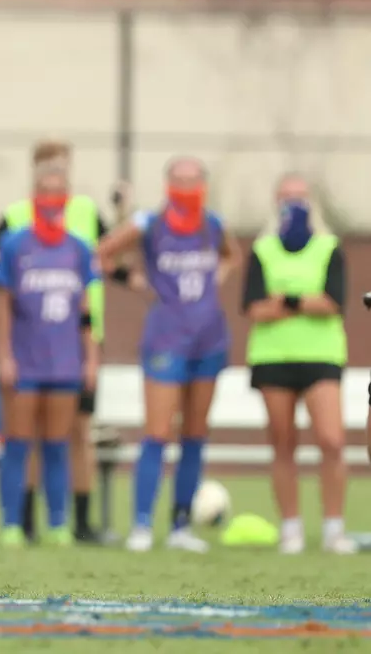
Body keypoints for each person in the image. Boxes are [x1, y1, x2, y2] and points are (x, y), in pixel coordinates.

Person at [96, 155, 239, 554]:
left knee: (195, 433)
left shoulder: (214, 225)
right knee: (158, 432)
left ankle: (180, 526)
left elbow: (232, 256)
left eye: (194, 180)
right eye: (179, 179)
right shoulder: (149, 224)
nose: (186, 187)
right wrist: (137, 281)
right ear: (167, 184)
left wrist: (214, 282)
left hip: (209, 337)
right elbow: (103, 254)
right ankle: (141, 525)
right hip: (166, 337)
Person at [0, 140, 125, 544]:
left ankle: (58, 523)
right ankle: (14, 523)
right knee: (18, 443)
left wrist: (90, 359)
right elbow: (2, 307)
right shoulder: (16, 244)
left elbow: (86, 310)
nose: (53, 201)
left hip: (65, 361)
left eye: (59, 194)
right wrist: (5, 356)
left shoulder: (79, 249)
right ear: (35, 197)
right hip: (27, 359)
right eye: (45, 193)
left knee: (57, 443)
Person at [242, 173, 356, 555]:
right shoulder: (262, 250)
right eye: (287, 197)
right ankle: (290, 527)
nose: (294, 203)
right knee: (283, 444)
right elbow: (255, 308)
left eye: (300, 196)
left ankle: (333, 528)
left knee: (332, 441)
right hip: (273, 358)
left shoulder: (328, 247)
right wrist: (302, 302)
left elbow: (333, 302)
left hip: (321, 357)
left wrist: (288, 301)